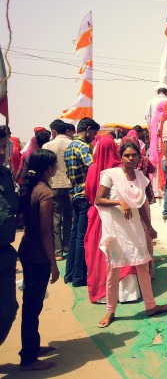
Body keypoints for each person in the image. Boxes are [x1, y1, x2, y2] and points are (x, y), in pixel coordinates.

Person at [95, 141, 167, 328]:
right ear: (120, 157)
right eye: (126, 155)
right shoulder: (110, 175)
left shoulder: (140, 176)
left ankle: (150, 306)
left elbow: (142, 206)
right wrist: (120, 203)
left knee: (143, 266)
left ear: (139, 157)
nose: (130, 159)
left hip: (135, 227)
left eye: (134, 155)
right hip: (116, 229)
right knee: (113, 270)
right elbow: (98, 199)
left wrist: (149, 227)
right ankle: (110, 311)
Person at [84, 136, 140, 304]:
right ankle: (126, 294)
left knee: (102, 254)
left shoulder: (93, 169)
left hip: (98, 216)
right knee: (125, 250)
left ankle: (105, 294)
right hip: (120, 214)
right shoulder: (119, 168)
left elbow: (89, 193)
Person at [17, 149, 59, 371]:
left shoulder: (32, 188)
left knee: (32, 304)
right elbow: (46, 231)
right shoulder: (45, 193)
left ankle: (32, 346)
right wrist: (53, 263)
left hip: (27, 249)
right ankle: (29, 356)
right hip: (38, 255)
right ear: (49, 168)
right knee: (33, 305)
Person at [64, 117, 100, 287]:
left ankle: (70, 274)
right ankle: (79, 277)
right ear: (88, 129)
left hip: (74, 194)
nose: (94, 136)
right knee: (82, 237)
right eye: (93, 133)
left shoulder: (70, 146)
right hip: (84, 195)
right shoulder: (83, 147)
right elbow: (93, 168)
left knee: (74, 235)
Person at [0, 126, 20, 348]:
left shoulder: (5, 174)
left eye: (4, 146)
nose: (1, 151)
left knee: (8, 309)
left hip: (5, 251)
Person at [42, 119, 73, 261]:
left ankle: (58, 251)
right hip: (70, 185)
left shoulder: (47, 145)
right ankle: (67, 245)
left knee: (55, 219)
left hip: (53, 185)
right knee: (69, 217)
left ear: (53, 131)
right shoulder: (73, 144)